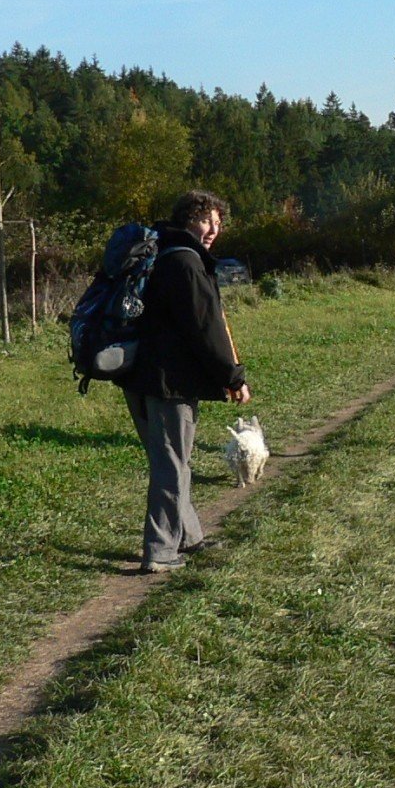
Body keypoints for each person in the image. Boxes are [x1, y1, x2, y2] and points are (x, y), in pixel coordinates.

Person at [125, 189, 250, 573]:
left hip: (137, 376)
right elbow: (205, 329)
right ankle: (161, 551)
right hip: (168, 382)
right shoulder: (185, 263)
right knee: (171, 465)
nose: (213, 229)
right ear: (186, 221)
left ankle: (189, 535)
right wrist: (232, 376)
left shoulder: (161, 253)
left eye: (218, 221)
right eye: (205, 220)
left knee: (171, 461)